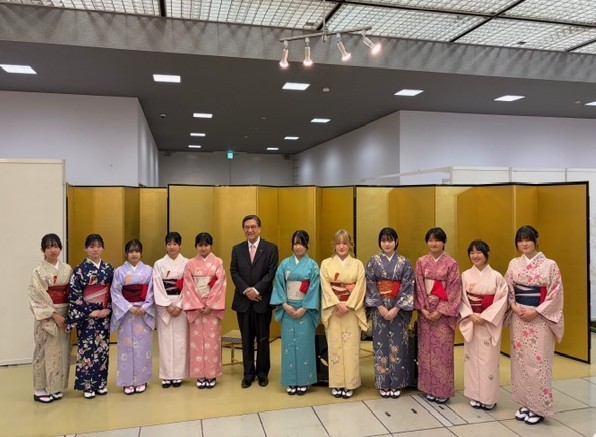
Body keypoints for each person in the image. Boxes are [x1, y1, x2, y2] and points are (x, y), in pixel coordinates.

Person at [504, 225, 564, 425]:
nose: (524, 243)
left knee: (538, 363)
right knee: (520, 361)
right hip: (519, 317)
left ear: (536, 240)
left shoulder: (550, 265)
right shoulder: (514, 263)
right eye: (520, 240)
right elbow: (508, 288)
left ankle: (539, 407)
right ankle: (526, 403)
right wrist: (513, 305)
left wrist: (536, 311)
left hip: (540, 318)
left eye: (528, 239)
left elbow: (555, 293)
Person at [365, 227, 415, 399]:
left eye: (390, 240)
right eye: (384, 240)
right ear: (379, 242)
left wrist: (396, 308)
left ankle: (397, 383)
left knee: (398, 345)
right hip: (379, 309)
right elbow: (370, 284)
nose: (387, 244)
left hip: (397, 310)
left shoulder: (404, 262)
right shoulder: (373, 262)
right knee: (380, 345)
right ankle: (382, 382)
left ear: (396, 241)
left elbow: (408, 286)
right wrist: (379, 306)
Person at [414, 227, 462, 404]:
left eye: (437, 240)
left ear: (444, 242)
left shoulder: (451, 263)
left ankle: (442, 390)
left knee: (442, 352)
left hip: (442, 313)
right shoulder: (421, 261)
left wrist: (440, 310)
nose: (433, 243)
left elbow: (454, 289)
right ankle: (428, 387)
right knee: (425, 351)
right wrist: (423, 308)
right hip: (426, 311)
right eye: (430, 240)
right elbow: (419, 286)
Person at [230, 215, 279, 388]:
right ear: (243, 229)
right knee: (247, 339)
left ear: (259, 228)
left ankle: (262, 373)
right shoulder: (237, 249)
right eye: (246, 227)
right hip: (243, 302)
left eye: (253, 227)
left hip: (262, 301)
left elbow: (271, 272)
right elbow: (234, 272)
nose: (250, 230)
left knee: (263, 339)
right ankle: (248, 374)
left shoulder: (271, 248)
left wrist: (257, 290)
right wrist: (247, 291)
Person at [459, 239, 508, 410]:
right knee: (471, 359)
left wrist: (486, 316)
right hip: (472, 320)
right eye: (472, 252)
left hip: (488, 322)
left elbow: (502, 300)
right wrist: (469, 315)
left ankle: (488, 397)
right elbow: (461, 298)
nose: (475, 256)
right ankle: (474, 395)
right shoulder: (465, 275)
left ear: (486, 254)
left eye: (479, 252)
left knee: (488, 360)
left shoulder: (497, 277)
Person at [270, 230, 321, 395]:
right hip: (288, 308)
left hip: (305, 310)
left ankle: (304, 381)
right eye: (295, 243)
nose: (298, 247)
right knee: (288, 346)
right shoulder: (285, 264)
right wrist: (284, 305)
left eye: (301, 243)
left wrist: (304, 308)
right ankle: (290, 381)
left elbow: (314, 288)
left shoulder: (313, 265)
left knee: (304, 344)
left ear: (307, 245)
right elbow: (279, 285)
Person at [320, 229, 366, 399]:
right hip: (334, 310)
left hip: (351, 311)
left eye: (345, 243)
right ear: (334, 244)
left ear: (350, 245)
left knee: (351, 347)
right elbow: (325, 286)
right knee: (335, 347)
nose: (341, 246)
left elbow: (360, 287)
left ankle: (350, 383)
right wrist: (337, 304)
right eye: (338, 243)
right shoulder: (326, 264)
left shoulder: (358, 264)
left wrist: (348, 305)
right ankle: (337, 383)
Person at [67, 234, 114, 399]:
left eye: (98, 246)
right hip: (87, 316)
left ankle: (100, 383)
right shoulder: (79, 270)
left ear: (103, 248)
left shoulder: (109, 269)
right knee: (86, 349)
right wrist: (89, 311)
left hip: (104, 314)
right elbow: (74, 295)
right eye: (91, 246)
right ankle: (87, 385)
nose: (95, 249)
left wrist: (108, 309)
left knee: (102, 348)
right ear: (85, 249)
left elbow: (114, 291)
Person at [28, 233, 73, 403]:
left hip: (64, 313)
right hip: (47, 316)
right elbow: (36, 295)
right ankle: (40, 389)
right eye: (48, 247)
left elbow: (72, 292)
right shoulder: (38, 271)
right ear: (42, 250)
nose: (53, 250)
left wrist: (70, 315)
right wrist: (54, 314)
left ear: (60, 248)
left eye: (55, 246)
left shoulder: (67, 269)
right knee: (43, 351)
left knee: (62, 351)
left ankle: (55, 387)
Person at [110, 239, 155, 395]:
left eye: (137, 251)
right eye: (131, 251)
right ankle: (127, 381)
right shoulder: (119, 271)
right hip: (126, 313)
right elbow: (115, 292)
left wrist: (145, 307)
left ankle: (142, 379)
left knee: (143, 347)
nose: (134, 254)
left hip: (143, 312)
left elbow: (152, 290)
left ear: (141, 253)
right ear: (126, 254)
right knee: (126, 347)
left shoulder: (149, 270)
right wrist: (129, 307)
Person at [182, 232, 226, 389]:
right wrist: (198, 304)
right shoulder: (190, 264)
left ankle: (212, 374)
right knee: (196, 342)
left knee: (212, 341)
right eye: (200, 245)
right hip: (197, 307)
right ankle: (200, 374)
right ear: (196, 246)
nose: (203, 248)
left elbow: (220, 284)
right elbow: (188, 285)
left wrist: (210, 304)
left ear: (211, 246)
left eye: (206, 245)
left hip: (211, 308)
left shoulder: (218, 262)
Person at [152, 231, 189, 388]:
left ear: (180, 245)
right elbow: (157, 286)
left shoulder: (187, 263)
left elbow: (189, 285)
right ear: (165, 245)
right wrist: (167, 304)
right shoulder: (159, 264)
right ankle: (167, 375)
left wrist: (179, 305)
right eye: (169, 244)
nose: (172, 247)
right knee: (165, 340)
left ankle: (179, 374)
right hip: (165, 304)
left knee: (181, 339)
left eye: (175, 244)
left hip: (181, 303)